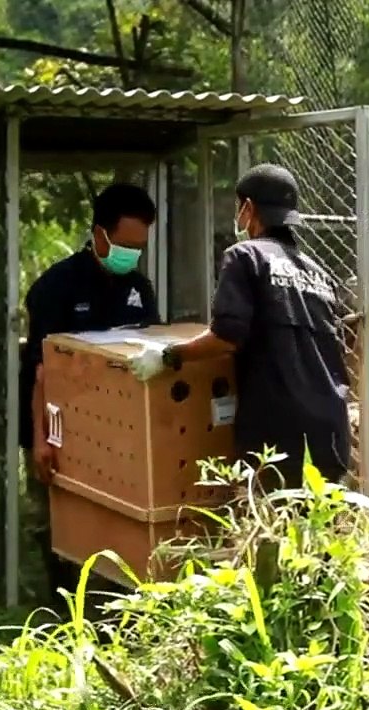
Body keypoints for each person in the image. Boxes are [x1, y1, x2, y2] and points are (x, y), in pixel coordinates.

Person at [129, 163, 351, 489]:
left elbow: (227, 337)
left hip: (277, 436)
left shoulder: (246, 256)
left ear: (248, 208)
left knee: (272, 530)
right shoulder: (318, 272)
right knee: (315, 531)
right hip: (331, 431)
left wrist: (168, 356)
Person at [20, 182, 160, 604]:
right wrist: (41, 437)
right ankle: (64, 619)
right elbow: (40, 369)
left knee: (117, 534)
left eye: (139, 247)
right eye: (124, 245)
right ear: (99, 234)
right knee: (63, 531)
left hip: (121, 438)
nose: (131, 255)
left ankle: (118, 620)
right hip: (64, 433)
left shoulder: (140, 290)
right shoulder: (55, 287)